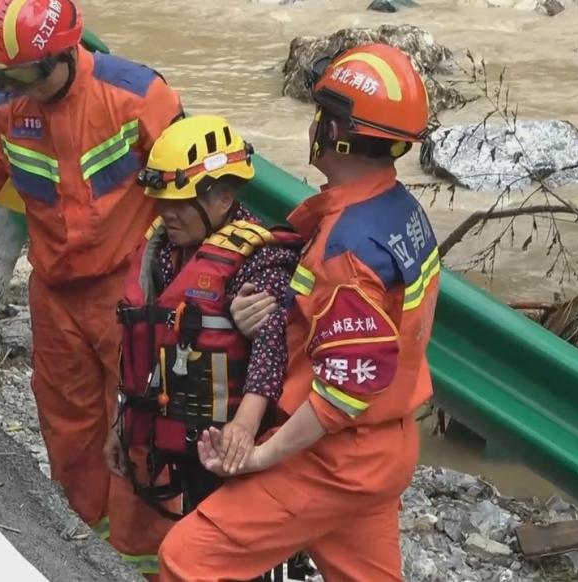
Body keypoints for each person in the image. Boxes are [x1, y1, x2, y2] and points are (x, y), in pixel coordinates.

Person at [158, 43, 441, 582]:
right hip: (384, 448)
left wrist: (262, 456)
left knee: (187, 559)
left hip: (333, 458)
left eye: (322, 116)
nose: (314, 126)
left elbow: (343, 391)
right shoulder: (401, 213)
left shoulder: (348, 250)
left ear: (337, 132)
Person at [0, 0, 183, 548]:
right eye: (9, 77)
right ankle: (84, 541)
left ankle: (142, 551)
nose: (21, 88)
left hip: (131, 288)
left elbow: (193, 192)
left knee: (143, 424)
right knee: (68, 425)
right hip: (56, 293)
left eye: (28, 76)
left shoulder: (139, 96)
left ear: (66, 53)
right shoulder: (6, 108)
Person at [103, 114, 302, 579]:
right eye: (162, 203)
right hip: (180, 443)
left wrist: (244, 427)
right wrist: (121, 423)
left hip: (230, 450)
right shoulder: (165, 252)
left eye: (178, 203)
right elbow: (142, 344)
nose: (165, 214)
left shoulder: (260, 263)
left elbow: (274, 345)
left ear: (223, 198)